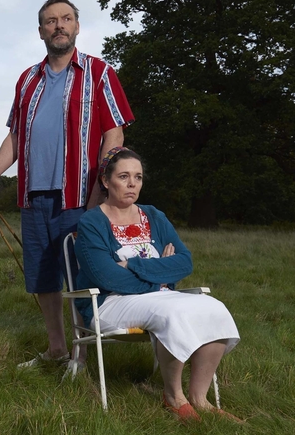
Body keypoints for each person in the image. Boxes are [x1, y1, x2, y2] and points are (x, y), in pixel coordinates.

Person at [0, 0, 135, 368]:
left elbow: (115, 135)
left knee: (82, 279)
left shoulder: (99, 73)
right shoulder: (27, 79)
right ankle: (57, 349)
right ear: (41, 31)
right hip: (34, 198)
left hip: (81, 196)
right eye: (50, 21)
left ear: (77, 26)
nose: (58, 26)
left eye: (66, 19)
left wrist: (102, 194)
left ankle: (81, 356)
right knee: (43, 279)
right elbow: (15, 138)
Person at [74, 147, 241, 422]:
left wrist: (133, 265)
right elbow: (107, 278)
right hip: (109, 302)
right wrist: (161, 275)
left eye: (138, 177)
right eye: (124, 176)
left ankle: (200, 398)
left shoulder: (154, 216)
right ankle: (173, 396)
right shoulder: (92, 222)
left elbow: (184, 262)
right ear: (106, 181)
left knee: (215, 307)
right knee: (171, 313)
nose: (132, 184)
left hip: (158, 295)